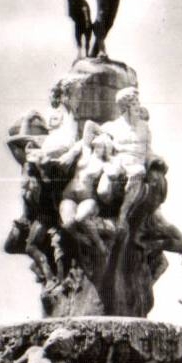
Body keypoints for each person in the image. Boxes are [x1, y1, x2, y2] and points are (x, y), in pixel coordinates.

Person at [96, 86, 154, 232]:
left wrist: (155, 160)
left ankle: (123, 214)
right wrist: (106, 153)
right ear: (125, 106)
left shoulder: (144, 127)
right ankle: (105, 214)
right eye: (134, 104)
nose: (138, 107)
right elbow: (96, 139)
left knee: (138, 171)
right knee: (103, 192)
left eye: (137, 103)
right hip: (118, 164)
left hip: (136, 165)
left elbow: (148, 150)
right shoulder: (111, 126)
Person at [56, 124, 115, 255]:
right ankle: (81, 239)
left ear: (106, 148)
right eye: (96, 144)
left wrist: (112, 160)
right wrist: (103, 132)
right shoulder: (85, 151)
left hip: (87, 197)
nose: (97, 147)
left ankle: (99, 244)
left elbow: (114, 173)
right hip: (69, 195)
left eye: (101, 146)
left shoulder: (105, 164)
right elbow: (88, 124)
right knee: (68, 224)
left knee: (81, 218)